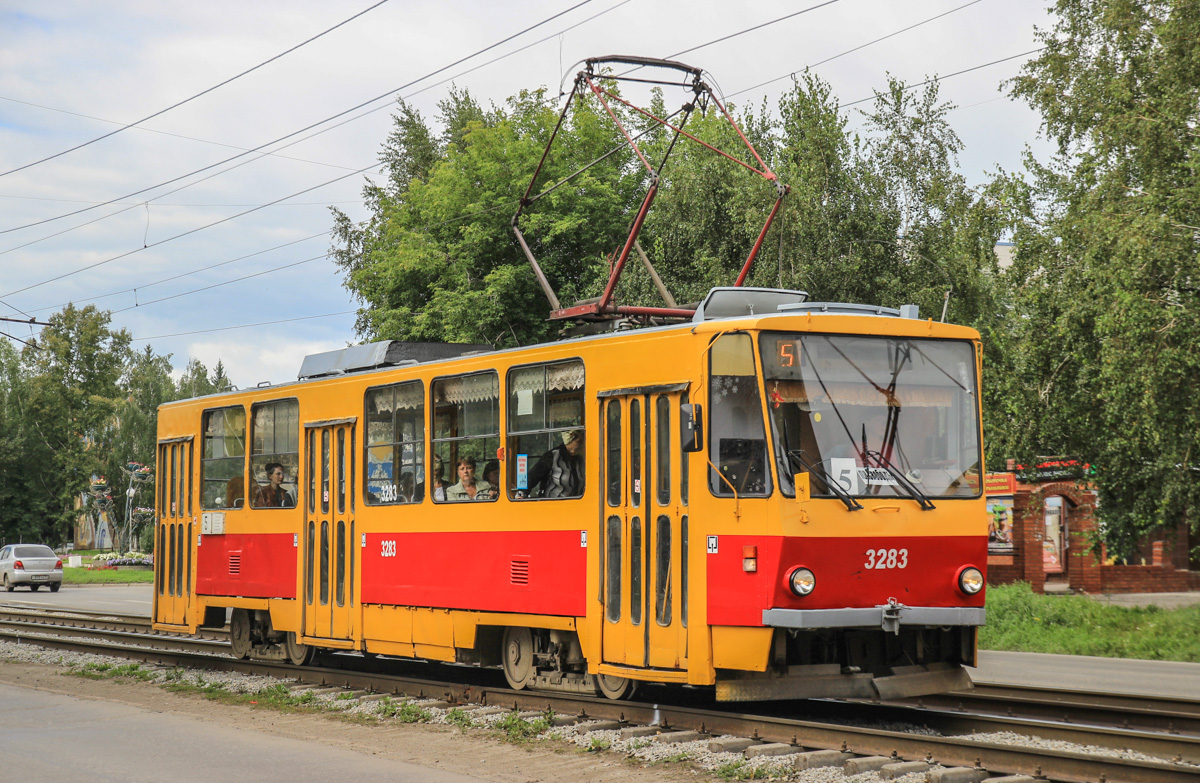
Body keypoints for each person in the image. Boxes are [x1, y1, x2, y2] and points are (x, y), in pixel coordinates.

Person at [527, 429, 585, 498]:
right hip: (553, 505)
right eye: (579, 441)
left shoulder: (579, 460)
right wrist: (522, 492)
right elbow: (533, 476)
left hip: (576, 505)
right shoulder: (552, 456)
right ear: (570, 439)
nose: (582, 445)